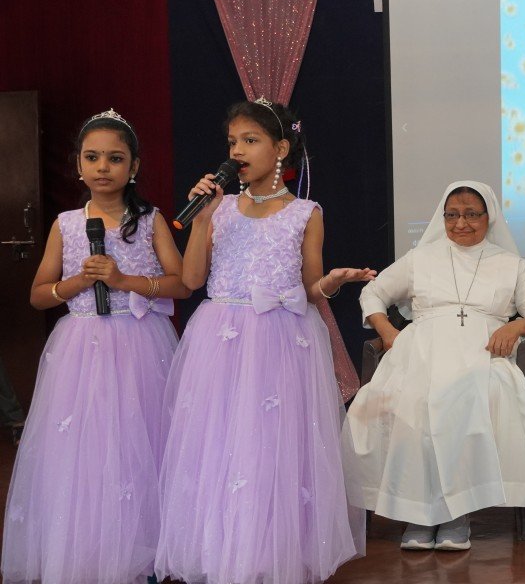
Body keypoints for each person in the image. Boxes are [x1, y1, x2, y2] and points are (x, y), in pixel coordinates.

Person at [154, 99, 374, 583]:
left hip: (281, 341)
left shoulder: (305, 213)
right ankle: (223, 551)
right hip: (221, 338)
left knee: (271, 446)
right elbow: (191, 279)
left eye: (250, 141)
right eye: (232, 141)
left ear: (280, 149)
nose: (237, 151)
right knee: (221, 444)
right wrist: (204, 217)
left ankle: (269, 553)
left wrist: (332, 283)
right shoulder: (219, 209)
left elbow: (310, 287)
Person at [2, 109, 190, 584]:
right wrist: (75, 283)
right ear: (78, 165)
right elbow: (38, 294)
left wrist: (124, 280)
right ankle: (90, 550)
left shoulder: (150, 221)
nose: (102, 167)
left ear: (134, 166)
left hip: (140, 344)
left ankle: (146, 553)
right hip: (80, 348)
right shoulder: (66, 224)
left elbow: (181, 284)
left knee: (142, 446)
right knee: (86, 451)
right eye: (92, 157)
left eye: (115, 158)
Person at [342, 181, 525, 551]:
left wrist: (519, 325)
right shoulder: (421, 258)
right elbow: (373, 292)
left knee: (462, 400)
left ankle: (455, 513)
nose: (461, 223)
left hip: (482, 356)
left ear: (489, 217)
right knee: (411, 402)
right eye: (452, 215)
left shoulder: (510, 264)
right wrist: (387, 331)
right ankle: (418, 512)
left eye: (471, 214)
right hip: (419, 353)